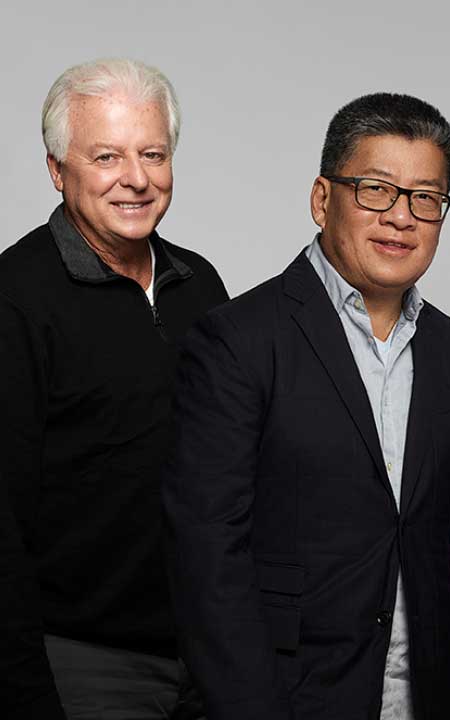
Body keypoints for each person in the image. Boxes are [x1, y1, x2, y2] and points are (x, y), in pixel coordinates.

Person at [163, 92, 450, 720]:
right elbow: (206, 560)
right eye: (375, 189)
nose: (401, 217)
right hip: (288, 699)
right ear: (321, 198)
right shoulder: (238, 339)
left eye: (426, 198)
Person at [0, 58, 228, 720]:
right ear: (56, 170)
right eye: (106, 156)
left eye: (152, 154)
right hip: (77, 666)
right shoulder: (16, 299)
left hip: (205, 658)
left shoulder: (201, 286)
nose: (136, 178)